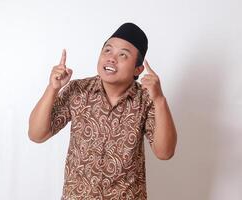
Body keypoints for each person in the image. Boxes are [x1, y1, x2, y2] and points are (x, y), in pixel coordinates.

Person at [28, 22, 177, 200]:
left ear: (138, 69)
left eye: (123, 55)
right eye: (107, 50)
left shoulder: (146, 100)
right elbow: (37, 134)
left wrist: (159, 100)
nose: (111, 58)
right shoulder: (78, 90)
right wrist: (52, 88)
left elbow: (164, 152)